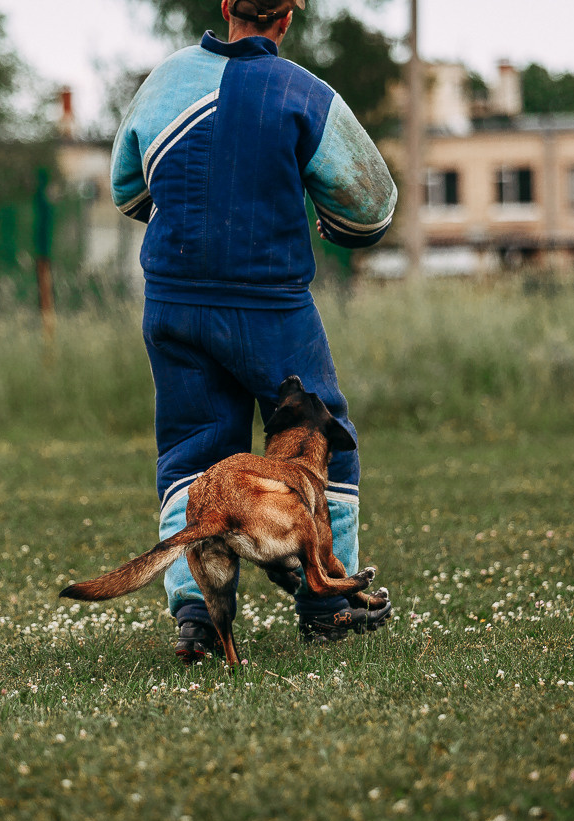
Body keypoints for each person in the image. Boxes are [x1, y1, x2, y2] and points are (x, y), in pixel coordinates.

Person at [111, 0, 398, 661]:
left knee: (191, 453)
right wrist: (333, 222)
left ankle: (197, 617)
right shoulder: (305, 94)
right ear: (287, 18)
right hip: (270, 303)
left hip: (175, 304)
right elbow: (371, 206)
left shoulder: (165, 81)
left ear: (225, 6)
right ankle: (330, 603)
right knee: (323, 440)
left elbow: (128, 190)